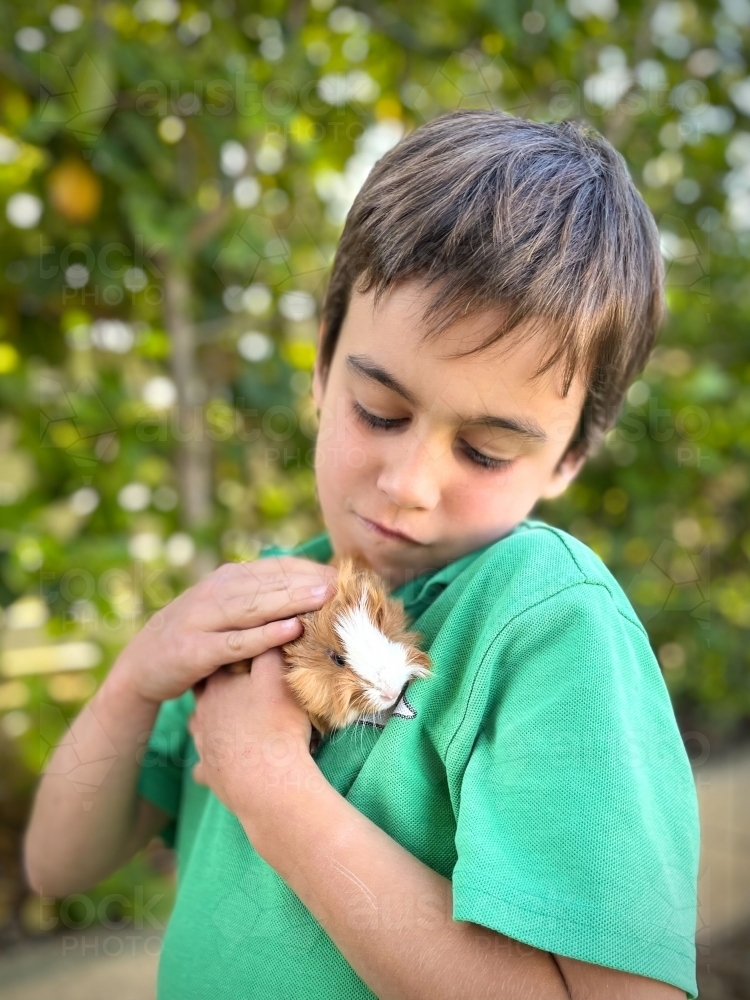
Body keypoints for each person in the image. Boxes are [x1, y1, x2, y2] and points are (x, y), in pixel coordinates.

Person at [23, 110, 699, 999]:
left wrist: (272, 789)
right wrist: (135, 680)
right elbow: (58, 865)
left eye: (486, 452)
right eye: (379, 411)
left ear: (569, 457)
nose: (409, 482)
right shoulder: (264, 604)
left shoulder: (547, 624)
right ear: (320, 369)